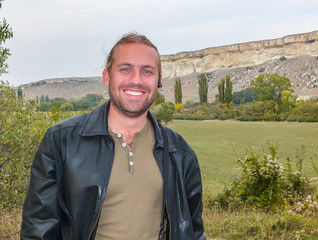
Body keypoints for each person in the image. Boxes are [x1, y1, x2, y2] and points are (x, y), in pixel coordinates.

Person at [21, 33, 205, 240]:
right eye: (125, 69)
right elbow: (38, 228)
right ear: (107, 77)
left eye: (147, 71)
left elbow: (193, 230)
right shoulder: (61, 141)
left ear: (158, 81)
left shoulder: (180, 153)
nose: (136, 80)